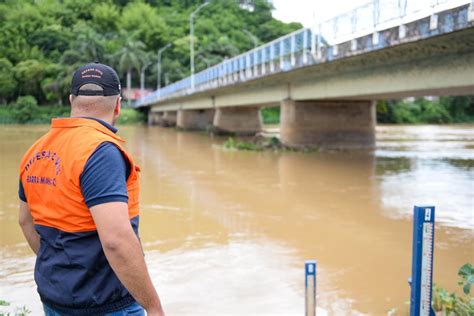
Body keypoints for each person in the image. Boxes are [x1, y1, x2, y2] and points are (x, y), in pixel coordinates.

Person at [18, 62, 165, 316]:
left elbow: (25, 221)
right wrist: (153, 307)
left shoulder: (36, 150)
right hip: (106, 305)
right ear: (118, 105)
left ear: (71, 100)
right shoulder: (101, 152)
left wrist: (63, 267)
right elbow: (116, 240)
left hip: (55, 300)